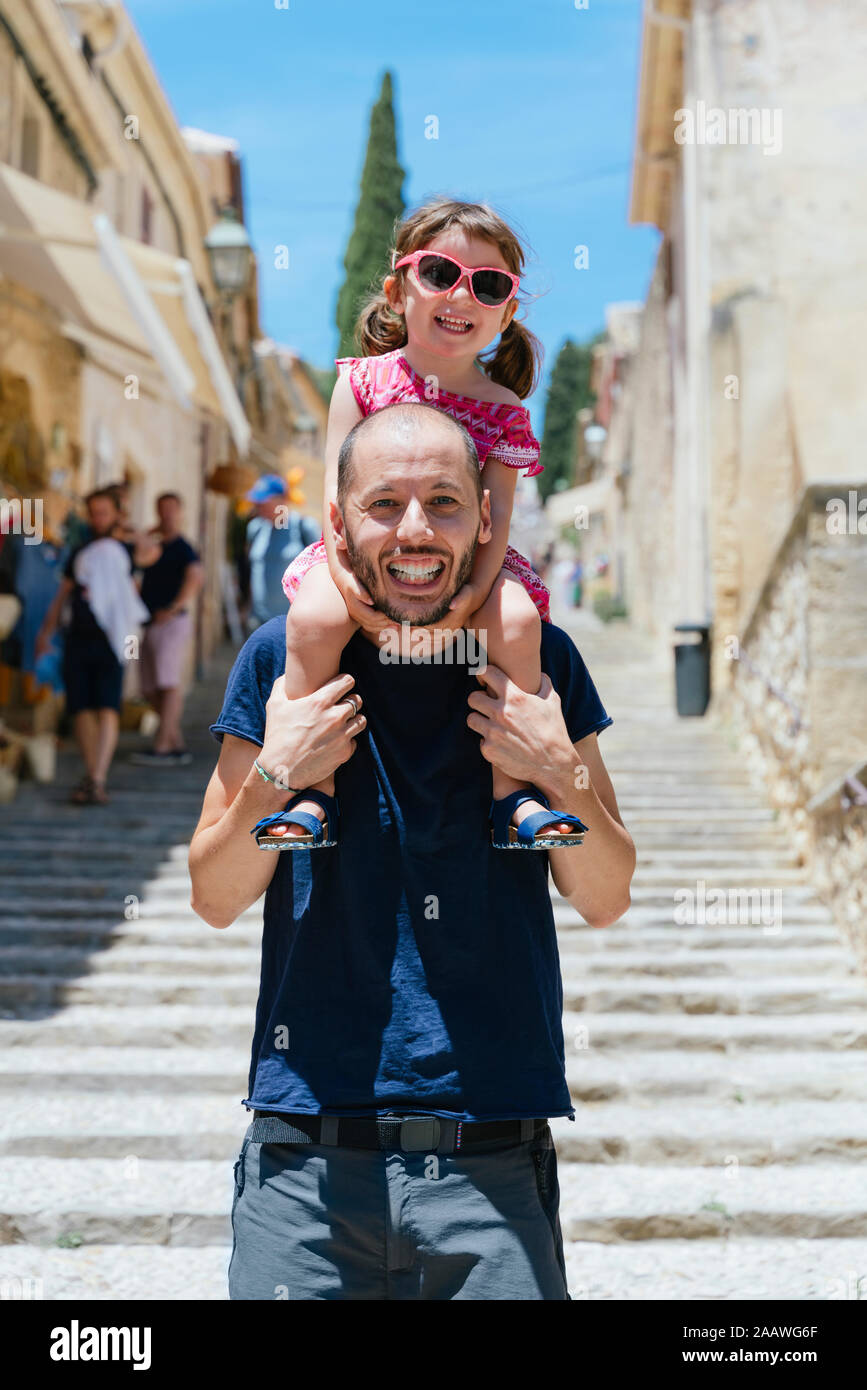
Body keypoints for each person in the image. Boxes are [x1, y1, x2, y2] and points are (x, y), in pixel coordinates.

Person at [189, 403, 635, 1301]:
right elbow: (214, 891)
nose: (415, 531)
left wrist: (556, 770)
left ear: (482, 514)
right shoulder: (280, 660)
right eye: (384, 504)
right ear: (342, 521)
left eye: (442, 501)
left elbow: (605, 893)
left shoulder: (537, 666)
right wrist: (280, 772)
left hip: (492, 1157)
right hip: (302, 1163)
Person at [268, 198, 582, 851]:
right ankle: (310, 795)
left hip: (471, 566)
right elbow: (335, 496)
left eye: (488, 285)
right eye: (440, 273)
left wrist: (468, 601)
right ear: (396, 288)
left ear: (507, 310)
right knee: (313, 621)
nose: (461, 294)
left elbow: (493, 522)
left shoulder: (502, 408)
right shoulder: (361, 382)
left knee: (519, 625)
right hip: (360, 556)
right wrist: (351, 587)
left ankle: (513, 796)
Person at [35, 489, 158, 804]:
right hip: (78, 636)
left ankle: (97, 777)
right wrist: (45, 634)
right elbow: (62, 595)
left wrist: (130, 527)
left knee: (107, 706)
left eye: (104, 512)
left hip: (112, 639)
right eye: (94, 512)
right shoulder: (80, 551)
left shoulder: (126, 550)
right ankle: (92, 776)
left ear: (116, 514)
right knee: (81, 708)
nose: (98, 518)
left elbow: (152, 550)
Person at [131, 492, 203, 766]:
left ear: (180, 512)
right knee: (149, 687)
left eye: (172, 509)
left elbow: (196, 577)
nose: (167, 514)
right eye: (162, 509)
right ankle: (175, 742)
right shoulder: (154, 543)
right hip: (148, 622)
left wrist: (173, 608)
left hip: (172, 622)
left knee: (168, 683)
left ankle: (162, 746)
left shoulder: (184, 547)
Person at [245, 474, 319, 628]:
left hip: (294, 623)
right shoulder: (255, 529)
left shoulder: (304, 528)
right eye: (257, 503)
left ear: (282, 501)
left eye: (264, 502)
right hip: (259, 622)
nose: (259, 507)